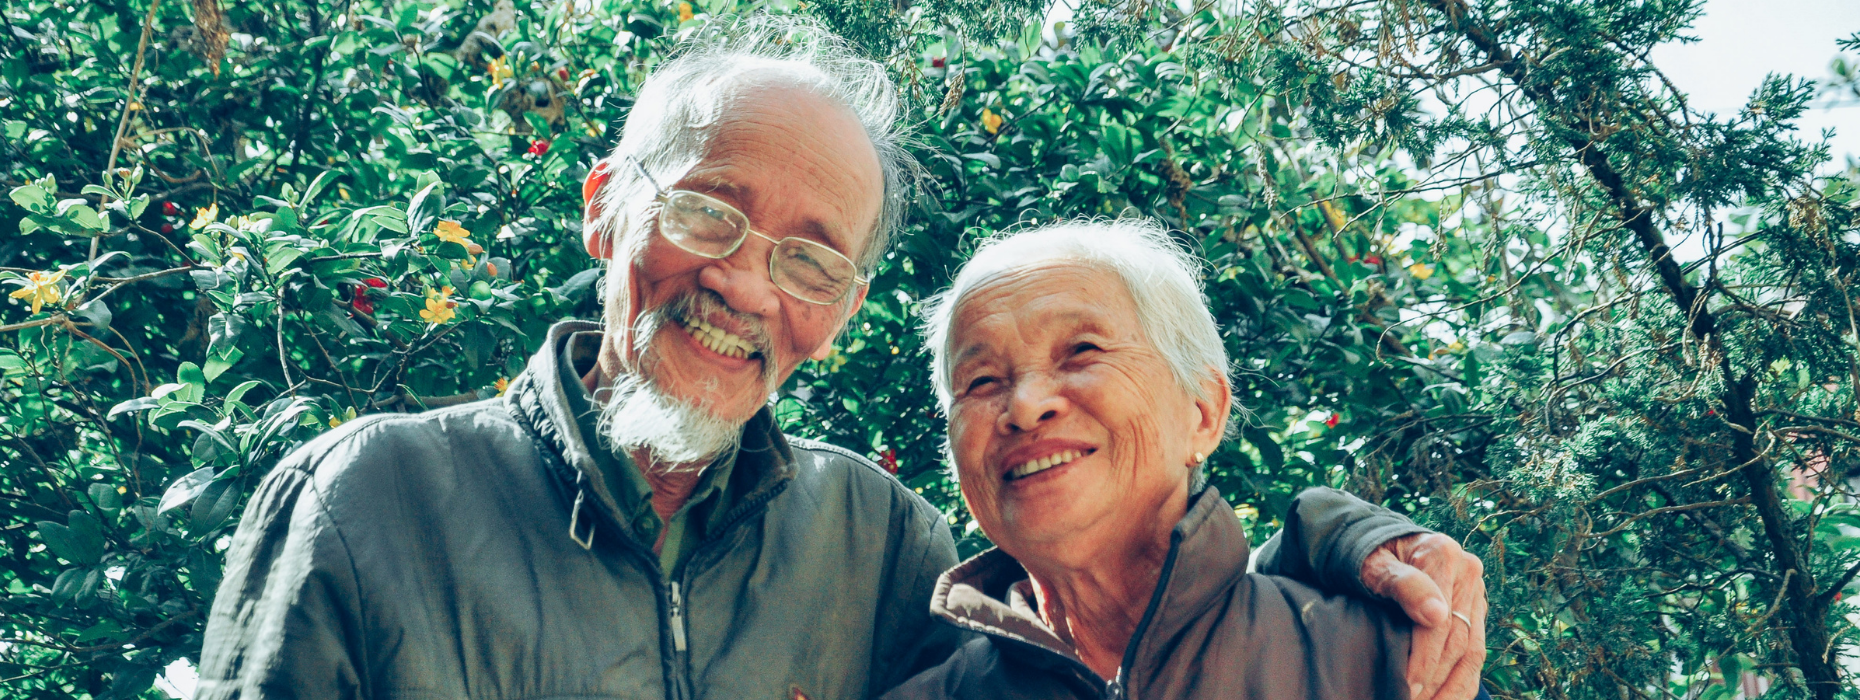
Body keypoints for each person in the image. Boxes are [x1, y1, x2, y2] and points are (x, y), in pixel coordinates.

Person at [195, 18, 1483, 700]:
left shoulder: (869, 537)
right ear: (604, 207)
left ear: (846, 306)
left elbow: (1114, 634)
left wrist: (1337, 538)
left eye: (810, 258)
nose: (745, 283)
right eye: (707, 210)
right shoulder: (371, 498)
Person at [884, 219, 1487, 699]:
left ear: (1201, 413)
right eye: (982, 380)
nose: (1025, 405)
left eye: (1081, 351)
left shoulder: (1381, 662)